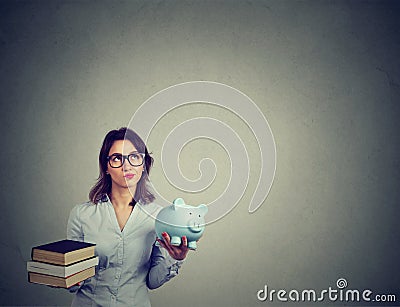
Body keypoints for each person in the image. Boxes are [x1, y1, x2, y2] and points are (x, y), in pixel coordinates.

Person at [67, 127, 191, 306]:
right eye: (117, 158)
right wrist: (67, 276)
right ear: (106, 167)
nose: (127, 165)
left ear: (143, 164)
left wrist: (176, 258)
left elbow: (153, 282)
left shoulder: (158, 217)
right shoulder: (81, 215)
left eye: (134, 156)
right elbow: (73, 283)